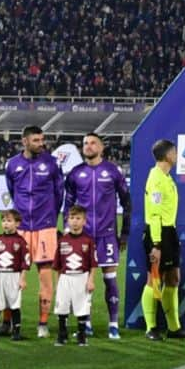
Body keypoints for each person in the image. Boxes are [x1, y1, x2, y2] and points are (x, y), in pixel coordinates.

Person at [65, 133, 132, 341]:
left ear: (101, 148)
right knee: (84, 281)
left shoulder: (113, 171)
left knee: (109, 279)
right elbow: (68, 205)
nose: (88, 146)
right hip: (83, 237)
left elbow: (127, 203)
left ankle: (113, 325)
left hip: (107, 235)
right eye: (85, 143)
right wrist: (67, 231)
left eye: (93, 143)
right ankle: (86, 323)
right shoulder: (76, 173)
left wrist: (125, 233)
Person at [5, 127, 65, 340]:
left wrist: (50, 216)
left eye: (42, 139)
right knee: (10, 274)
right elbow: (12, 190)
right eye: (36, 140)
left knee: (45, 277)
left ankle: (43, 322)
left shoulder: (51, 163)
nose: (41, 143)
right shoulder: (13, 164)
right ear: (25, 141)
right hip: (21, 227)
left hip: (45, 226)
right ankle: (6, 321)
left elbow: (59, 193)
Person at [140, 139, 183, 340]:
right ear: (167, 155)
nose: (177, 155)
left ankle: (174, 328)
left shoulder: (166, 177)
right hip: (158, 234)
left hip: (169, 232)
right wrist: (156, 244)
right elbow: (155, 214)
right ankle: (151, 328)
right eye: (174, 152)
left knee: (173, 278)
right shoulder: (156, 179)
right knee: (154, 280)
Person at [54, 206, 99, 347]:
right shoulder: (62, 241)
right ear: (67, 220)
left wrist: (91, 280)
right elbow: (57, 265)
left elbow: (93, 264)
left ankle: (82, 335)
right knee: (62, 306)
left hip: (82, 277)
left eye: (78, 218)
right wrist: (57, 283)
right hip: (65, 277)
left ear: (84, 221)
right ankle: (62, 335)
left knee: (82, 307)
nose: (74, 222)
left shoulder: (88, 241)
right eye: (72, 218)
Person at [0, 211, 32, 341]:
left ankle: (16, 331)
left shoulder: (21, 242)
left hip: (14, 275)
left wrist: (22, 279)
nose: (6, 224)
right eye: (4, 221)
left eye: (9, 221)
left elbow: (26, 262)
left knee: (14, 303)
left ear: (17, 223)